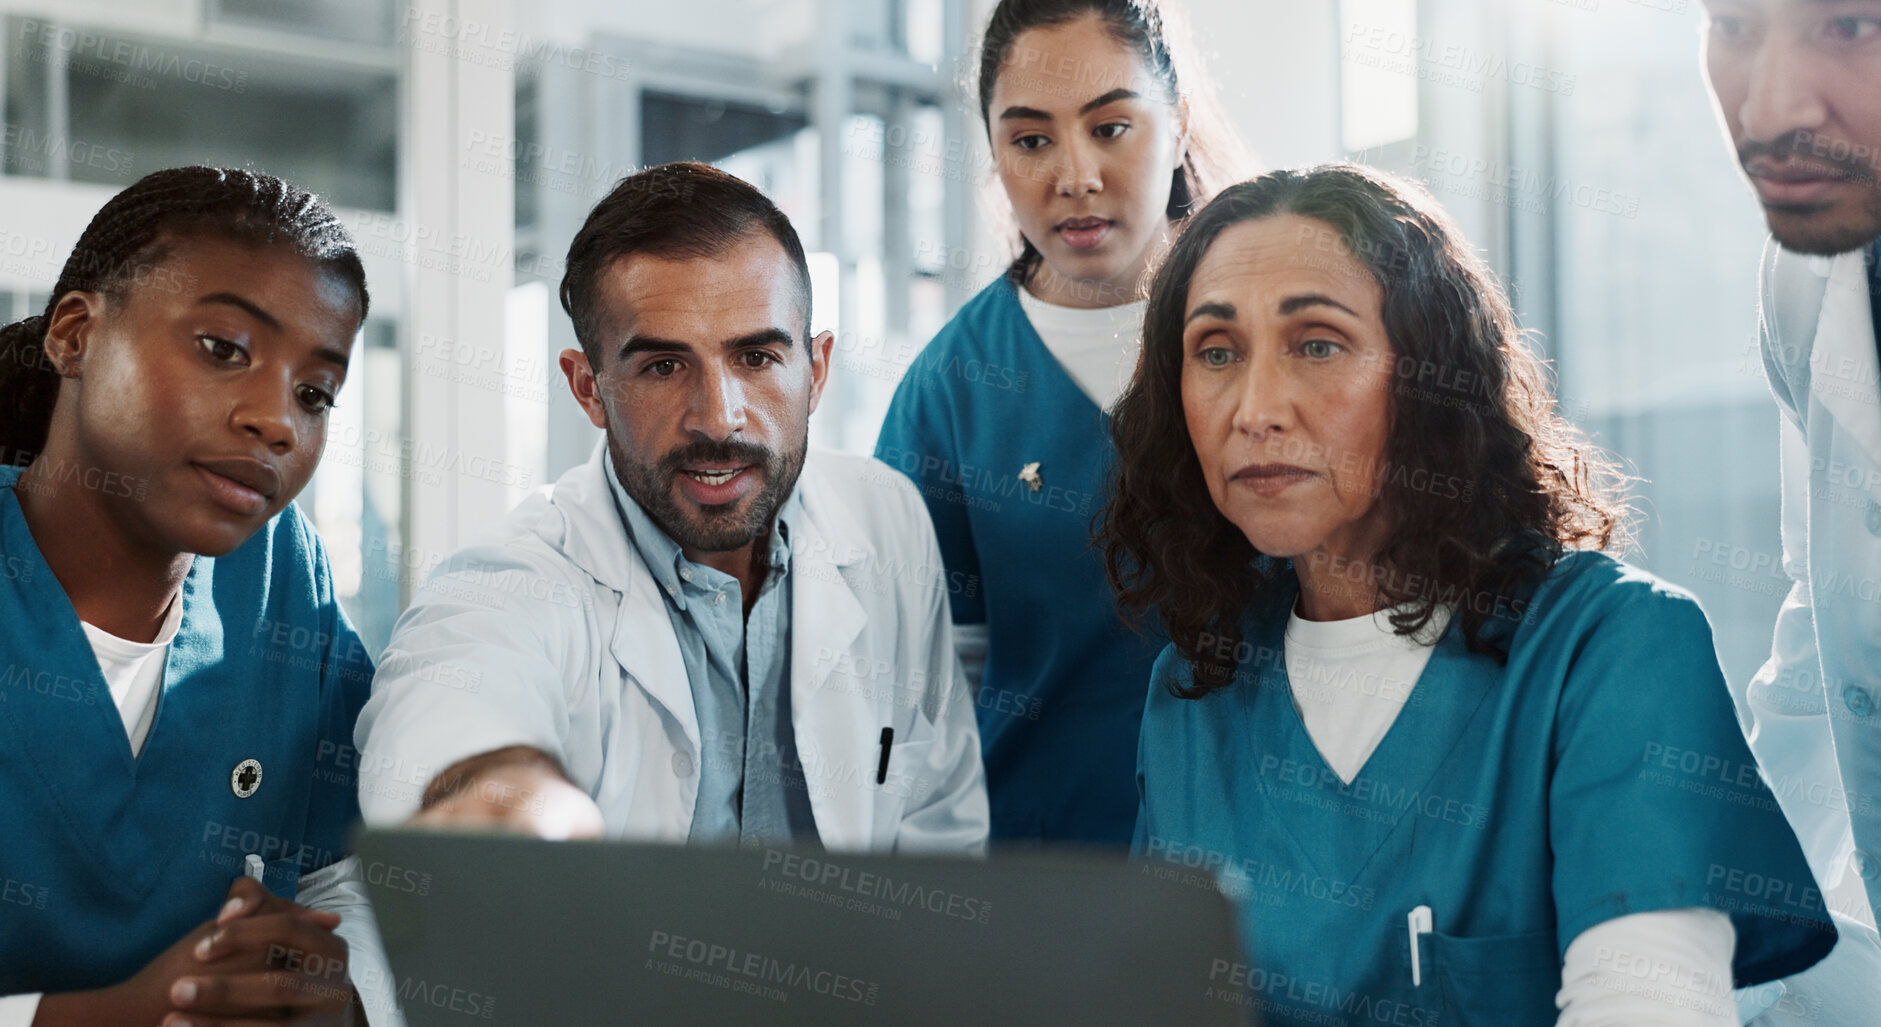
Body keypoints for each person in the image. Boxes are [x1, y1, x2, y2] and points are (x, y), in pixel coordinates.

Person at [1100, 165, 1835, 1025]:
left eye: (1316, 343)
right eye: (1215, 352)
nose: (1255, 408)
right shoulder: (1195, 688)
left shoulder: (1613, 648)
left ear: (1427, 374)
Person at [354, 162, 986, 857]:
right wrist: (505, 796)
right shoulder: (508, 584)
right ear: (587, 388)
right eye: (662, 366)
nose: (719, 417)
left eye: (756, 356)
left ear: (817, 370)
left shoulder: (885, 519)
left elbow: (940, 819)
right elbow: (443, 727)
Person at [0, 167, 381, 1026]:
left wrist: (331, 990)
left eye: (314, 392)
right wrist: (113, 1014)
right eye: (223, 348)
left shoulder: (280, 574)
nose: (278, 420)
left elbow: (343, 858)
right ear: (76, 335)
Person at [875, 0, 1253, 847]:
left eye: (1111, 127)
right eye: (1031, 139)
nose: (1074, 174)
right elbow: (925, 698)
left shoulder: (1272, 335)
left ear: (1178, 119)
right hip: (1040, 878)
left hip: (1280, 869)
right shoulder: (953, 388)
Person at [1700, 2, 1881, 1022]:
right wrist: (1724, 927)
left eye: (1853, 26)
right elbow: (1834, 622)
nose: (1768, 103)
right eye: (1733, 23)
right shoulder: (1810, 278)